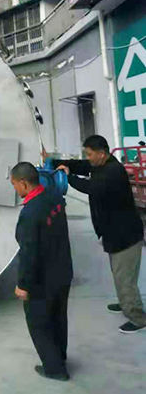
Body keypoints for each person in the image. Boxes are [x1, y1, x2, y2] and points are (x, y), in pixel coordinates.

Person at [57, 135, 146, 334]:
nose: (87, 158)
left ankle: (138, 318)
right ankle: (125, 303)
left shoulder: (113, 171)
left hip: (125, 236)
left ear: (101, 153)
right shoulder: (100, 165)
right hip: (114, 233)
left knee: (125, 278)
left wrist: (69, 177)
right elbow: (81, 165)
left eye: (90, 154)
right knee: (119, 274)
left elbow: (91, 188)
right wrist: (56, 163)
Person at [10, 161, 73, 382]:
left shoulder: (30, 213)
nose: (14, 189)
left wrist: (23, 285)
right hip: (63, 271)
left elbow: (29, 253)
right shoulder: (54, 197)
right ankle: (60, 357)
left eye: (14, 184)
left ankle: (55, 369)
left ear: (23, 183)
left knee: (39, 323)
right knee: (58, 317)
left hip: (42, 279)